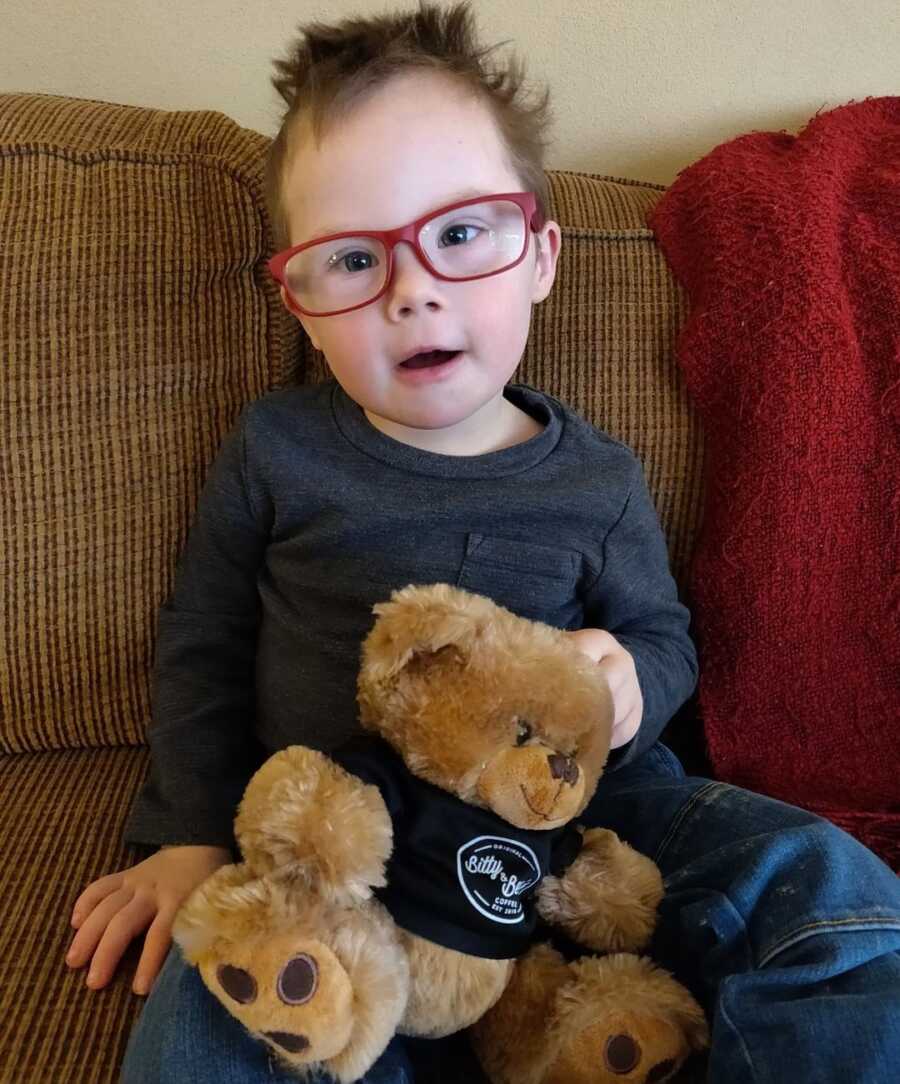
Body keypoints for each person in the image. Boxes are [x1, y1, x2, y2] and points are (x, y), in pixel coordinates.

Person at [63, 4, 900, 1083]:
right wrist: (190, 835)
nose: (413, 289)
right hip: (333, 853)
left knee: (828, 884)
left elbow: (663, 634)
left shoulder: (598, 477)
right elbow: (205, 641)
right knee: (232, 1003)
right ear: (301, 306)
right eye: (354, 258)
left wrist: (629, 683)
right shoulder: (276, 448)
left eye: (461, 234)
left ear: (541, 257)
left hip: (570, 828)